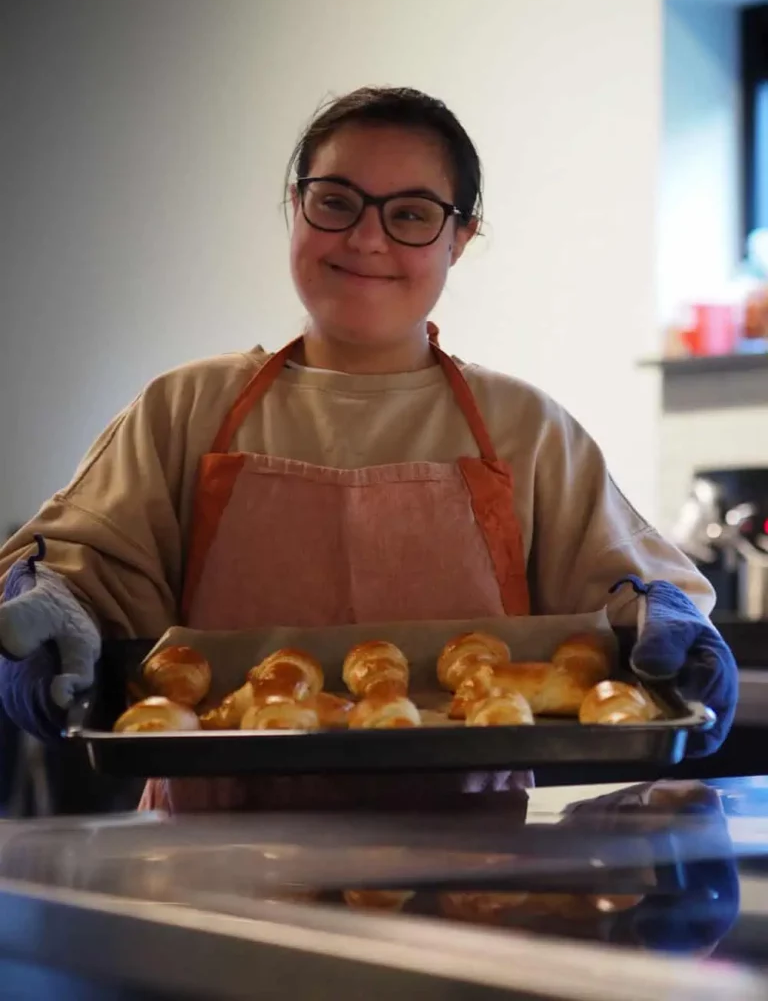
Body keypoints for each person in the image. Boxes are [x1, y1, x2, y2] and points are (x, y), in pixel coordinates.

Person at [0, 87, 737, 811]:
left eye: (411, 214)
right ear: (297, 206)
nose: (366, 238)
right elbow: (81, 574)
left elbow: (628, 606)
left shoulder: (525, 429)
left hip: (472, 868)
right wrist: (52, 612)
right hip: (205, 857)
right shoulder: (185, 409)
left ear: (460, 237)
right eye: (336, 201)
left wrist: (671, 633)